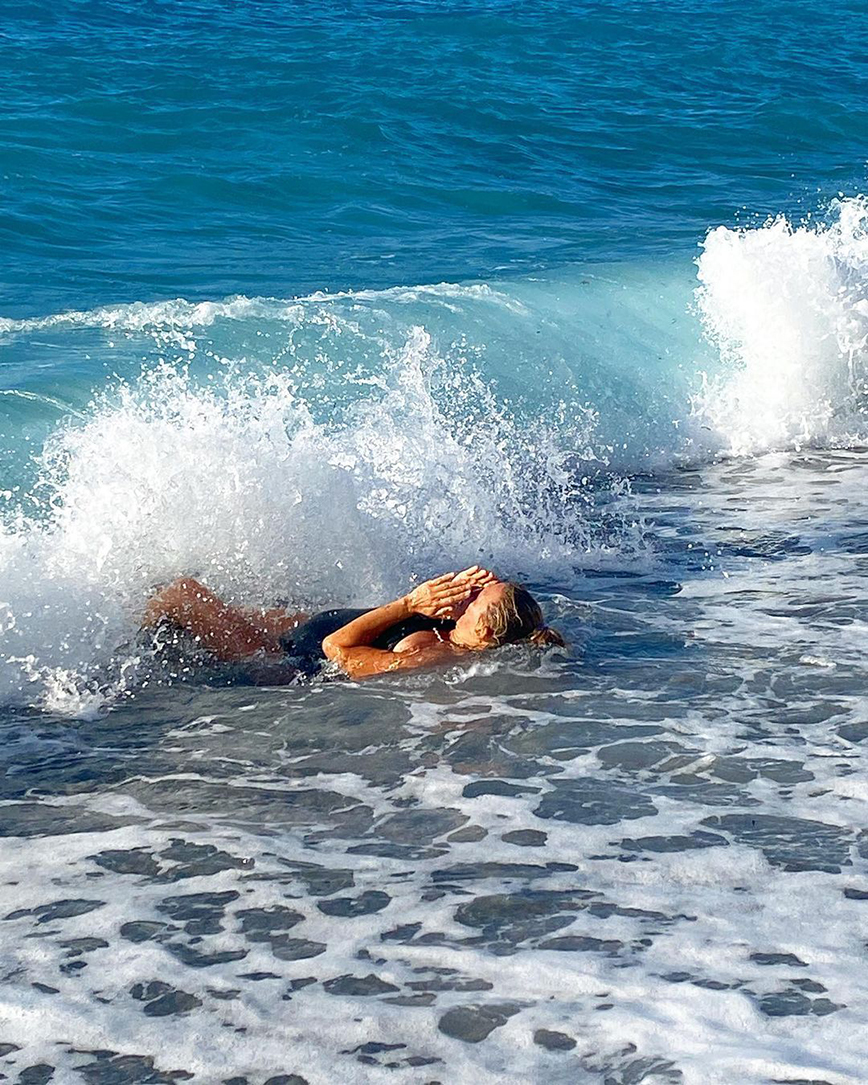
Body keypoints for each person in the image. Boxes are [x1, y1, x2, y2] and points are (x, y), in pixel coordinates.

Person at [142, 566, 565, 680]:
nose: (466, 594)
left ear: (485, 631)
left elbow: (337, 651)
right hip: (301, 631)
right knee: (174, 596)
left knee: (180, 593)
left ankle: (128, 655)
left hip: (281, 660)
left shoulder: (430, 653)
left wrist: (409, 603)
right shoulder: (454, 630)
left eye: (476, 599)